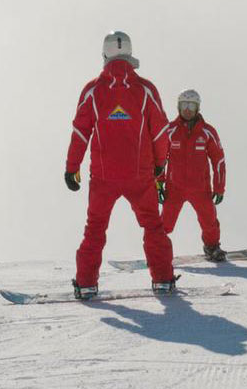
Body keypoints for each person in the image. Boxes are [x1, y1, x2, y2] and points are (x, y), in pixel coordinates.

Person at [65, 30, 175, 297]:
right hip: (140, 175)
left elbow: (81, 131)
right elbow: (160, 132)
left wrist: (72, 167)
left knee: (95, 228)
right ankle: (162, 280)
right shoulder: (146, 89)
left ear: (104, 55)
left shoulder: (92, 90)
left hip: (103, 177)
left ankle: (87, 284)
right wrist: (160, 164)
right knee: (153, 226)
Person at [158, 88, 227, 261]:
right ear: (178, 107)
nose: (187, 109)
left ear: (197, 108)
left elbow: (218, 160)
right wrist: (158, 185)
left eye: (191, 105)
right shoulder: (169, 130)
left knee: (209, 221)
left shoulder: (207, 132)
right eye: (184, 105)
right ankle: (157, 250)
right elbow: (158, 160)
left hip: (200, 188)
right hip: (174, 188)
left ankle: (212, 248)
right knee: (164, 223)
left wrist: (219, 188)